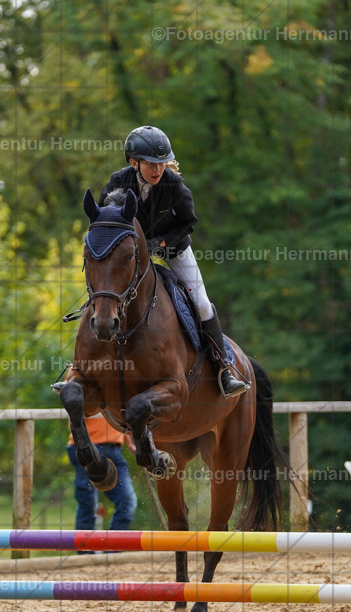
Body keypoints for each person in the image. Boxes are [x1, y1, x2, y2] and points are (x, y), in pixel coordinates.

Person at [99, 125, 248, 398]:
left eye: (162, 162)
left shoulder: (173, 184)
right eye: (151, 164)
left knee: (202, 303)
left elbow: (188, 222)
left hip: (173, 250)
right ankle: (84, 366)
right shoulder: (118, 182)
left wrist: (160, 244)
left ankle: (224, 368)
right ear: (134, 163)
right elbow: (103, 220)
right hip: (132, 254)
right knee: (103, 295)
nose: (158, 169)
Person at [67, 415, 137, 541]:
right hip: (86, 448)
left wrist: (130, 443)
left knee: (127, 502)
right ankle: (86, 554)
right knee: (88, 504)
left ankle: (112, 551)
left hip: (114, 449)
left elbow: (119, 417)